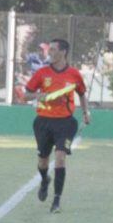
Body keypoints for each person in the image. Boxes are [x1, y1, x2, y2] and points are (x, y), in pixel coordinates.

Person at [24, 38, 90, 213]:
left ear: (63, 52)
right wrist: (38, 96)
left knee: (60, 157)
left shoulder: (74, 74)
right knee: (43, 160)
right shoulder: (42, 73)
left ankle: (56, 201)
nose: (50, 52)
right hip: (43, 122)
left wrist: (85, 112)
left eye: (53, 49)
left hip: (65, 123)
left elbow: (82, 94)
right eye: (49, 49)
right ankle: (45, 179)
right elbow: (26, 94)